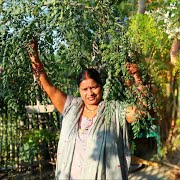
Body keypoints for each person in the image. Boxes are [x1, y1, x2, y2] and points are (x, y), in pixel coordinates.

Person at [27, 39, 139, 179]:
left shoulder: (114, 110)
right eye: (85, 89)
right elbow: (47, 86)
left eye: (94, 87)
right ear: (79, 90)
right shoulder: (71, 107)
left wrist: (136, 78)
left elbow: (139, 111)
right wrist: (34, 55)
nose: (90, 93)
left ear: (102, 86)